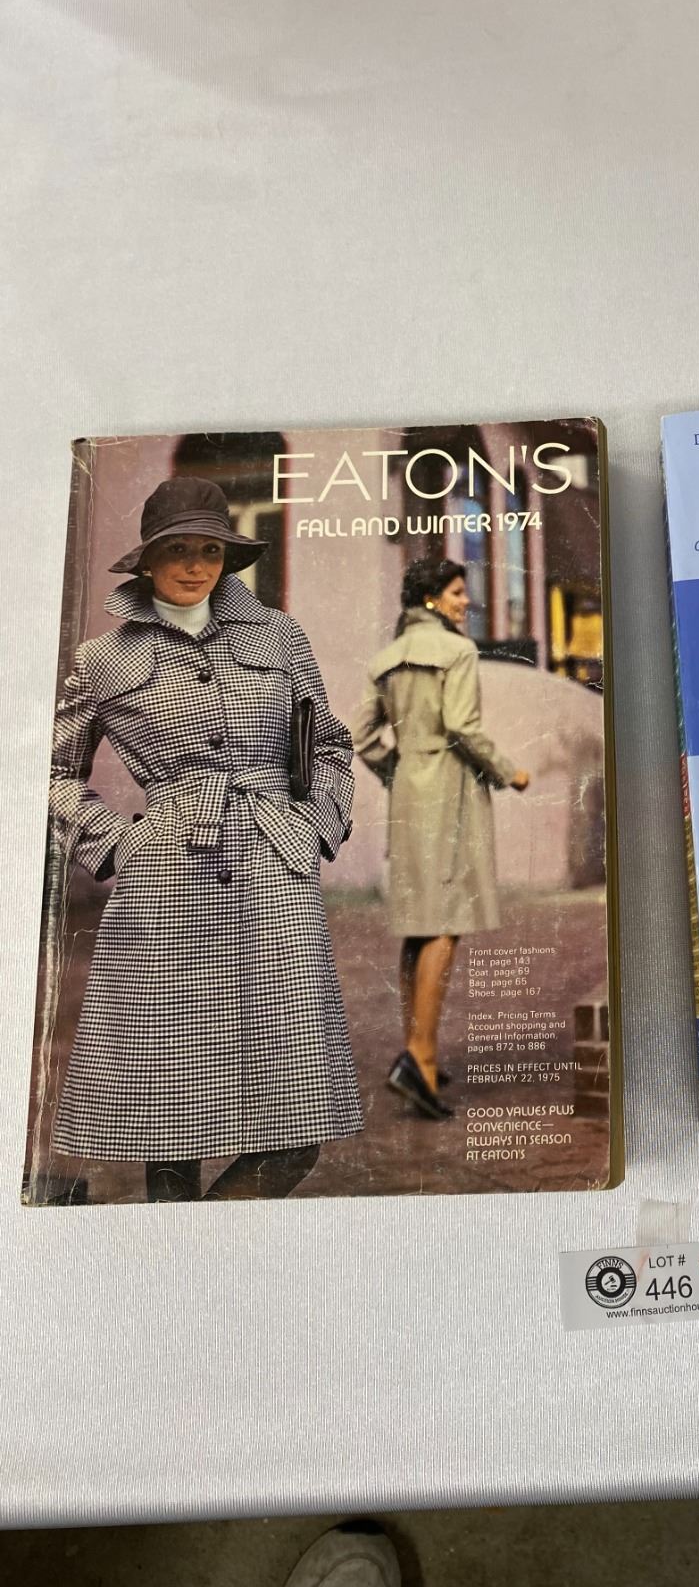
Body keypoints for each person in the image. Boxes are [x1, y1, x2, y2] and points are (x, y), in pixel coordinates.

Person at [49, 475, 363, 1202]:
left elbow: (329, 746)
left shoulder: (278, 634)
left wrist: (313, 825)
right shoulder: (101, 659)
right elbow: (54, 771)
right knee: (169, 1124)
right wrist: (118, 842)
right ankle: (185, 1254)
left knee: (294, 1134)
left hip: (273, 872)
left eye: (210, 551)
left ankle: (202, 1239)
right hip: (166, 880)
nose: (195, 566)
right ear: (148, 558)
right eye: (177, 550)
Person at [353, 557, 528, 1122]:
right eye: (456, 592)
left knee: (419, 924)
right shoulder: (457, 651)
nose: (465, 602)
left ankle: (415, 1048)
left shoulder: (385, 658)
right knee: (445, 923)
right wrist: (510, 772)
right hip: (450, 791)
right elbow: (463, 727)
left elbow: (362, 736)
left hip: (410, 792)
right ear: (431, 598)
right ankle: (421, 1059)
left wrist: (400, 770)